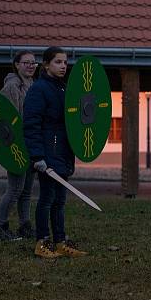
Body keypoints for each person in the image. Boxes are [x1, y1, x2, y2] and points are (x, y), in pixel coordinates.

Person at [23, 46, 86, 259]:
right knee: (47, 198)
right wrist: (37, 157)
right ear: (46, 64)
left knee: (60, 200)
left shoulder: (64, 89)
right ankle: (42, 242)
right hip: (47, 153)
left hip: (63, 151)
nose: (63, 66)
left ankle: (59, 242)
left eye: (65, 62)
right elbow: (31, 124)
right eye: (58, 62)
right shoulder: (39, 89)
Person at [0, 51, 38, 241]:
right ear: (17, 65)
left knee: (26, 190)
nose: (30, 66)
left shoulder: (34, 86)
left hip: (32, 143)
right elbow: (7, 120)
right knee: (14, 189)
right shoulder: (12, 86)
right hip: (17, 145)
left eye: (33, 63)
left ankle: (24, 226)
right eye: (26, 62)